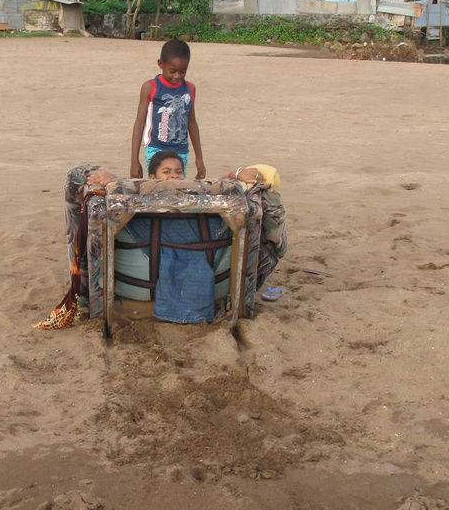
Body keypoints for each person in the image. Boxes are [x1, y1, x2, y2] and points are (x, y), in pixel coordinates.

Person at [35, 153, 286, 329]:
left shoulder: (118, 200)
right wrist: (237, 174)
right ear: (152, 177)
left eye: (179, 172)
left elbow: (75, 178)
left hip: (132, 284)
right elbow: (228, 190)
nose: (174, 177)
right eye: (167, 172)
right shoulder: (218, 209)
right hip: (214, 279)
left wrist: (116, 182)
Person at [130, 39, 206, 180]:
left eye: (183, 71)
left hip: (181, 151)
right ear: (161, 64)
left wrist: (199, 158)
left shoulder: (190, 89)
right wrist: (134, 160)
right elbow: (139, 123)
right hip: (155, 148)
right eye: (172, 71)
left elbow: (192, 123)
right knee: (157, 186)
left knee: (177, 188)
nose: (177, 76)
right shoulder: (150, 87)